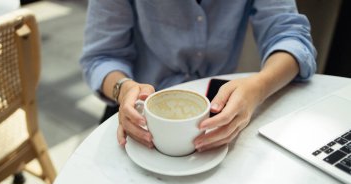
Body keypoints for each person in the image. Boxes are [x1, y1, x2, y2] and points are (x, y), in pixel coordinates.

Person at [80, 0, 316, 152]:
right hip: (136, 109)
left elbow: (291, 36)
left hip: (217, 110)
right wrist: (123, 88)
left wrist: (259, 86)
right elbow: (101, 56)